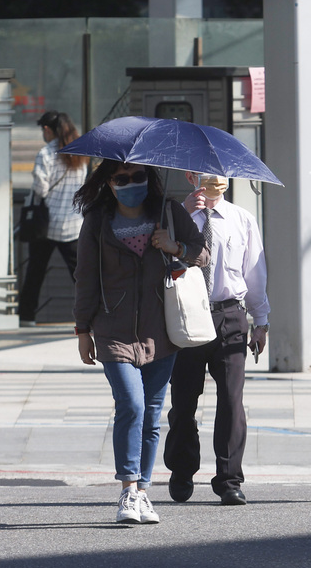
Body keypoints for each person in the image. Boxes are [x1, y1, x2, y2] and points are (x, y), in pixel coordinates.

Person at [72, 159, 209, 524]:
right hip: (112, 329)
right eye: (122, 178)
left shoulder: (170, 212)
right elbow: (85, 275)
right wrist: (82, 328)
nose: (131, 183)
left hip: (161, 329)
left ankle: (143, 493)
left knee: (151, 414)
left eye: (138, 177)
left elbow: (202, 253)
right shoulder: (98, 220)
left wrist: (174, 245)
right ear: (110, 183)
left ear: (149, 179)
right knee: (131, 404)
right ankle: (127, 490)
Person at [164, 172, 270, 506]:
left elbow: (254, 271)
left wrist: (261, 320)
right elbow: (160, 260)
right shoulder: (173, 216)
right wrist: (182, 214)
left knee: (232, 400)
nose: (214, 180)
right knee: (183, 401)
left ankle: (229, 479)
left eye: (220, 174)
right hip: (187, 314)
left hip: (229, 314)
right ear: (191, 176)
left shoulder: (242, 218)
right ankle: (182, 471)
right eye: (207, 174)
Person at [19, 110, 87, 327]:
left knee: (35, 272)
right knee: (80, 276)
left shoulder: (46, 153)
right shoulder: (80, 151)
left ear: (48, 130)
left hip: (46, 226)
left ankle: (27, 316)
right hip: (73, 225)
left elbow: (41, 188)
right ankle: (91, 315)